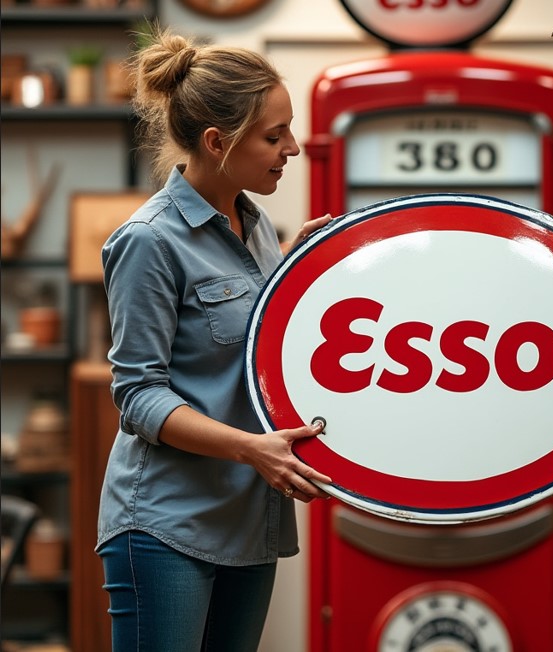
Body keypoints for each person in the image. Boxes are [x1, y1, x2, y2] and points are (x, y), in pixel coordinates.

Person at [96, 27, 333, 652]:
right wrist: (255, 450)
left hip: (244, 519)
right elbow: (138, 397)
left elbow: (237, 332)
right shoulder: (148, 240)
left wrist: (289, 264)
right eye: (274, 135)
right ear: (216, 141)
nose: (294, 148)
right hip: (164, 524)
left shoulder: (253, 226)